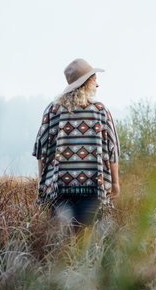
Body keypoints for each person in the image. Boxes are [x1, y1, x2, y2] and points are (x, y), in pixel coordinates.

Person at [32, 58, 120, 226]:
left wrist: (42, 186)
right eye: (95, 79)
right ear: (86, 83)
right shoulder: (101, 111)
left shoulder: (52, 110)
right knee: (86, 246)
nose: (98, 85)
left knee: (60, 245)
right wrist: (115, 183)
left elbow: (41, 151)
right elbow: (112, 150)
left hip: (57, 192)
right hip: (92, 191)